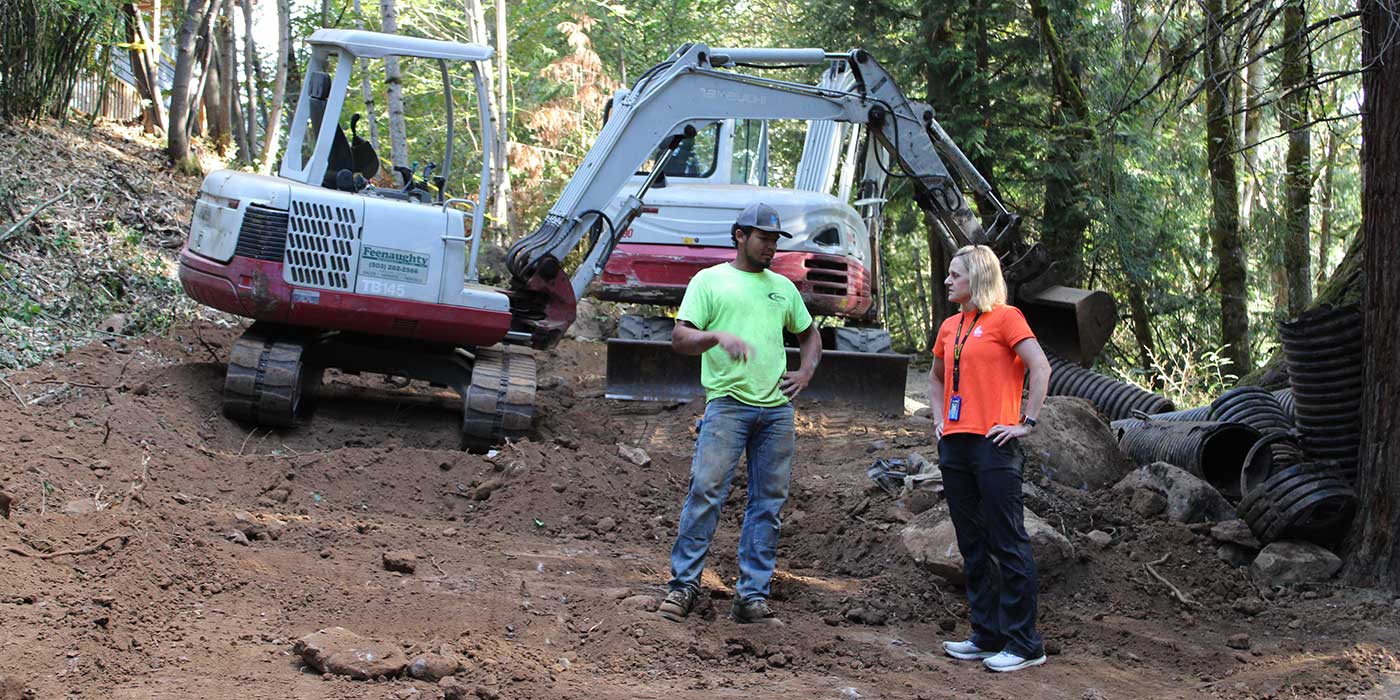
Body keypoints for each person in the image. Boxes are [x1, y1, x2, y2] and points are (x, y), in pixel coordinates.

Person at [657, 202, 823, 625]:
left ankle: (751, 597)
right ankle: (683, 587)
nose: (770, 246)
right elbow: (679, 338)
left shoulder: (782, 288)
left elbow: (809, 334)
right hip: (727, 407)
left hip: (776, 412)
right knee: (707, 493)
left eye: (774, 240)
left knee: (768, 503)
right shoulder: (709, 281)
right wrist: (714, 336)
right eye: (763, 238)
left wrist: (804, 372)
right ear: (739, 235)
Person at [930, 244, 1052, 672]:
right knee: (973, 544)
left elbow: (1041, 367)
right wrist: (939, 419)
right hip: (956, 446)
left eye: (955, 275)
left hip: (995, 445)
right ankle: (986, 635)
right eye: (947, 274)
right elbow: (936, 377)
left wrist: (1027, 423)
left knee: (1007, 540)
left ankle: (1025, 644)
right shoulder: (949, 326)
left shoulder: (1007, 318)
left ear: (978, 278)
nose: (948, 281)